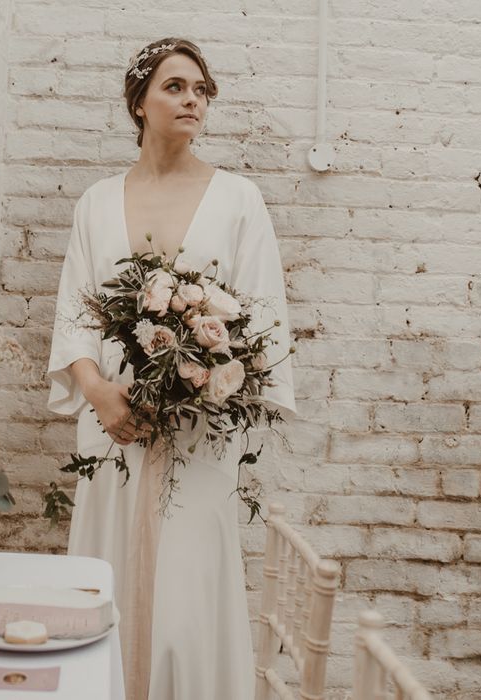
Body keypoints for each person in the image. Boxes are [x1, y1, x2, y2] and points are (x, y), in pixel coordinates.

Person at [47, 37, 296, 700]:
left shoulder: (239, 200)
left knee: (185, 598)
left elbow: (263, 318)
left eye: (201, 90)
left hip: (198, 432)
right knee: (108, 571)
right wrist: (98, 392)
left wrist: (200, 382)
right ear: (139, 102)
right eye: (176, 87)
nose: (194, 100)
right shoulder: (96, 203)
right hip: (113, 426)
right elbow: (76, 311)